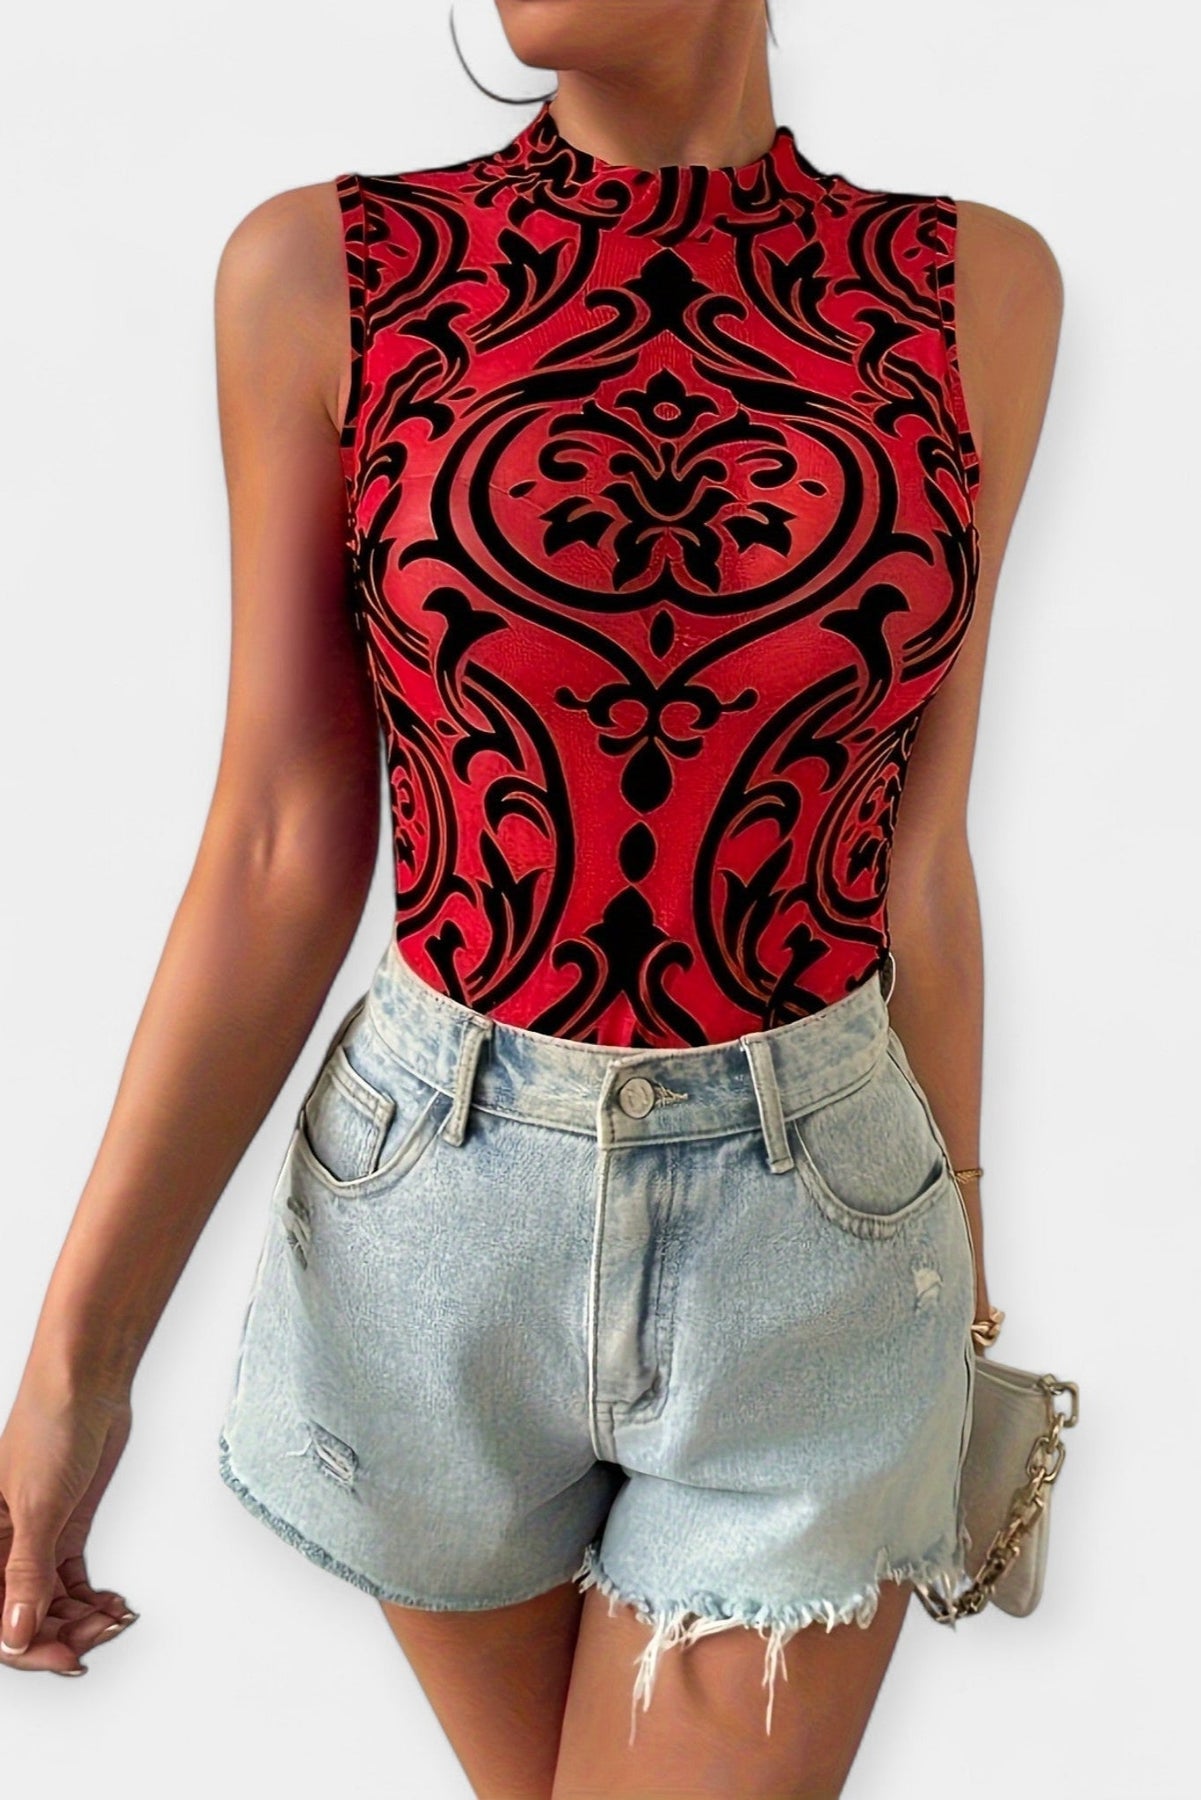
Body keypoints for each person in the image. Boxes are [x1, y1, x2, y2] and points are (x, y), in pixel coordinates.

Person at [0, 0, 1062, 1792]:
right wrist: (75, 1365)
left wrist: (958, 1280)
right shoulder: (327, 272)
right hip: (433, 1220)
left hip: (817, 1231)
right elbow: (278, 839)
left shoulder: (975, 292)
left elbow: (918, 849)